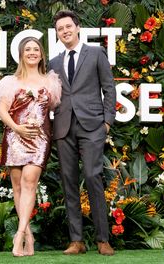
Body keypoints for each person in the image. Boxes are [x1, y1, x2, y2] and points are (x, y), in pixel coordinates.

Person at [48, 10, 116, 256]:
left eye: (68, 26)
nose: (64, 31)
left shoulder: (96, 53)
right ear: (57, 34)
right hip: (64, 127)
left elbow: (109, 88)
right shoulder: (54, 62)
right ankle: (76, 240)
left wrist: (106, 122)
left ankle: (102, 239)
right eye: (60, 29)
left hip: (92, 126)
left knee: (92, 176)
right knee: (69, 182)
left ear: (77, 27)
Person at [0, 37, 61, 257]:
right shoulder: (9, 82)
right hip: (14, 137)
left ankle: (19, 234)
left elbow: (50, 111)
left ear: (41, 55)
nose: (32, 52)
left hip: (40, 139)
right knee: (18, 187)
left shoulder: (51, 82)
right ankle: (29, 236)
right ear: (21, 54)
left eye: (36, 49)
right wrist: (17, 128)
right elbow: (2, 111)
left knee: (29, 181)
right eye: (28, 49)